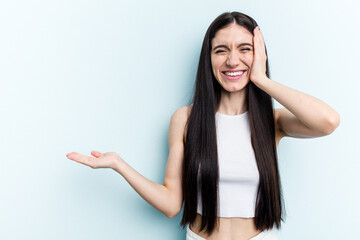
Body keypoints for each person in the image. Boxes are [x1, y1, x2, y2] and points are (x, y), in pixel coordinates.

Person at [66, 11, 340, 240]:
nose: (233, 60)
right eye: (221, 50)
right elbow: (172, 205)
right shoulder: (186, 119)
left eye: (245, 49)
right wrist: (119, 164)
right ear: (208, 59)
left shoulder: (273, 121)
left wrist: (263, 80)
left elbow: (328, 122)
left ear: (259, 56)